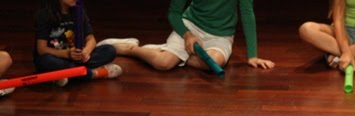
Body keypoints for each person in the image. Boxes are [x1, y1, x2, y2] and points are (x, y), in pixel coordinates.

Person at [97, 0, 274, 72]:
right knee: (163, 64)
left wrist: (252, 56)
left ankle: (171, 52)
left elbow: (247, 12)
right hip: (191, 26)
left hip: (221, 34)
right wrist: (187, 35)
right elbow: (173, 13)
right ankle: (131, 48)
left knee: (215, 62)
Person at [34, 0, 122, 88]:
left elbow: (91, 39)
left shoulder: (79, 11)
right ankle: (95, 73)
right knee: (46, 61)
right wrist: (67, 54)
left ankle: (64, 74)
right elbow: (42, 49)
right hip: (57, 58)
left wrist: (86, 52)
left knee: (109, 50)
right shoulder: (45, 15)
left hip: (75, 59)